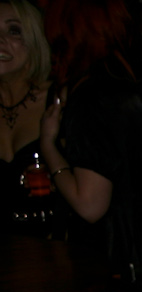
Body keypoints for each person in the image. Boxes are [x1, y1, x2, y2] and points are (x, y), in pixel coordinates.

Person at [40, 0, 142, 278]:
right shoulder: (130, 86)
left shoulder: (90, 98)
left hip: (113, 265)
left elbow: (90, 205)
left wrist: (48, 147)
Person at [0, 0, 50, 226]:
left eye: (13, 31)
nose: (0, 40)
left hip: (56, 245)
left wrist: (61, 177)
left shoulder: (59, 102)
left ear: (35, 41)